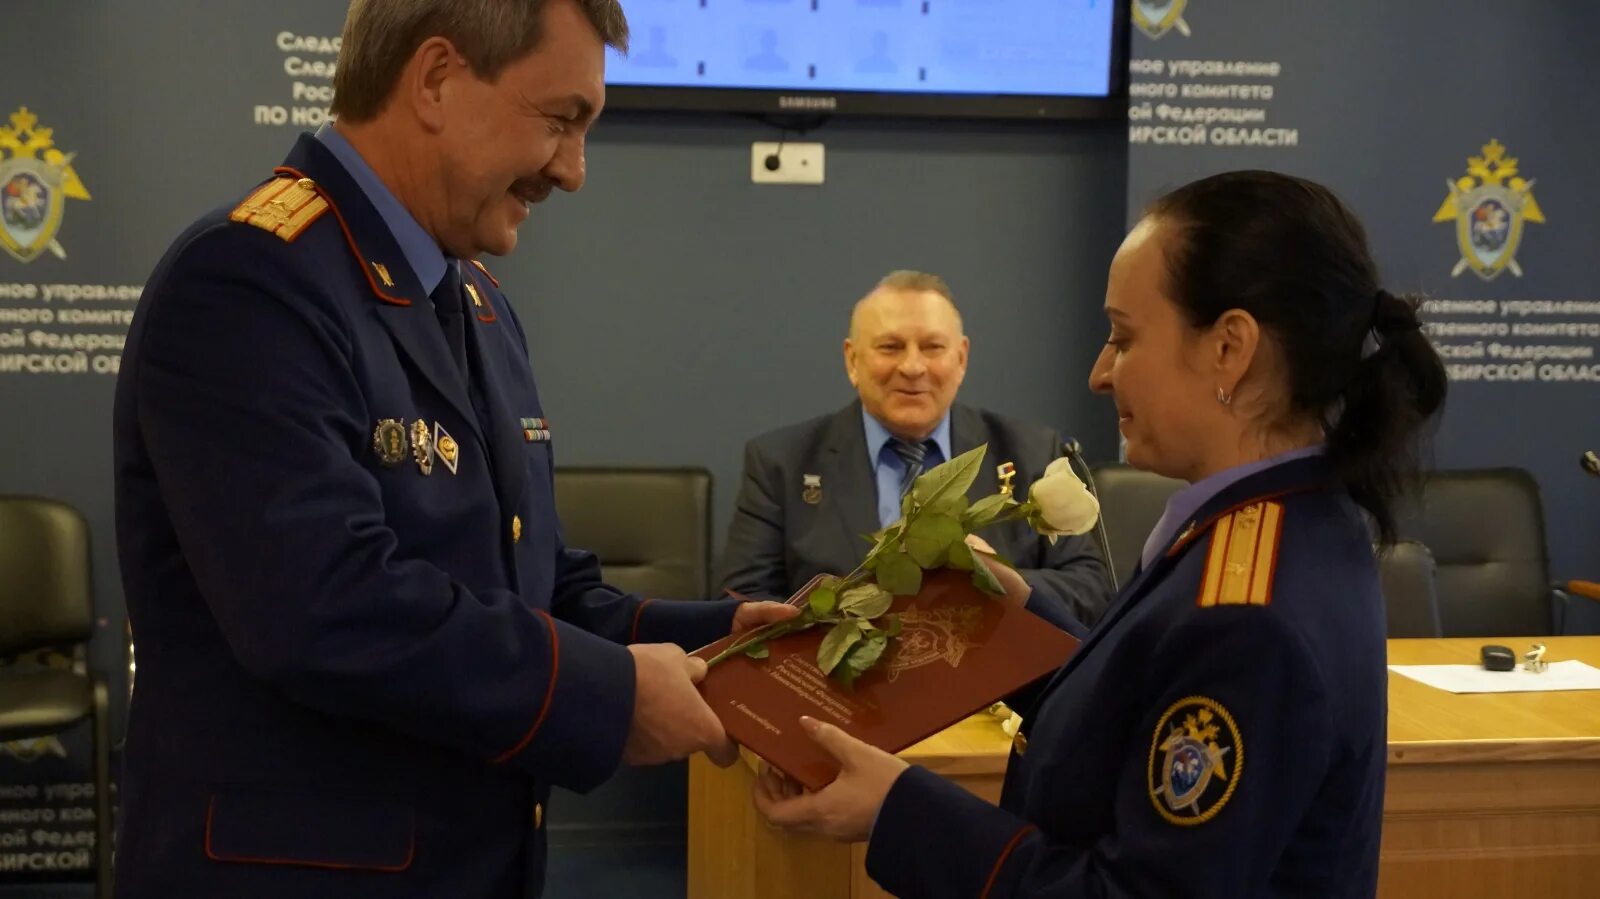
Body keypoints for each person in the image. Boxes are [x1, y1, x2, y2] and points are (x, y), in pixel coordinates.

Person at [110, 1, 796, 897]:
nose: (575, 170)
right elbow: (326, 608)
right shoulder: (250, 280)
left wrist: (719, 644)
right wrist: (610, 696)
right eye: (560, 120)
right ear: (436, 78)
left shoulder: (474, 301)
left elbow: (528, 583)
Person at [751, 171, 1448, 898]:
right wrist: (1009, 611)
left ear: (1229, 349)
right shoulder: (1287, 521)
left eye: (1123, 336)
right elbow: (1136, 707)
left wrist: (899, 808)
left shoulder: (1246, 613)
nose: (1098, 373)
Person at [717, 270, 1114, 631]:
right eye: (890, 347)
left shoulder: (1031, 452)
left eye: (932, 348)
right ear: (852, 360)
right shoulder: (781, 462)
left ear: (960, 359)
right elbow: (741, 603)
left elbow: (1094, 591)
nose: (912, 367)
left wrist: (1003, 581)